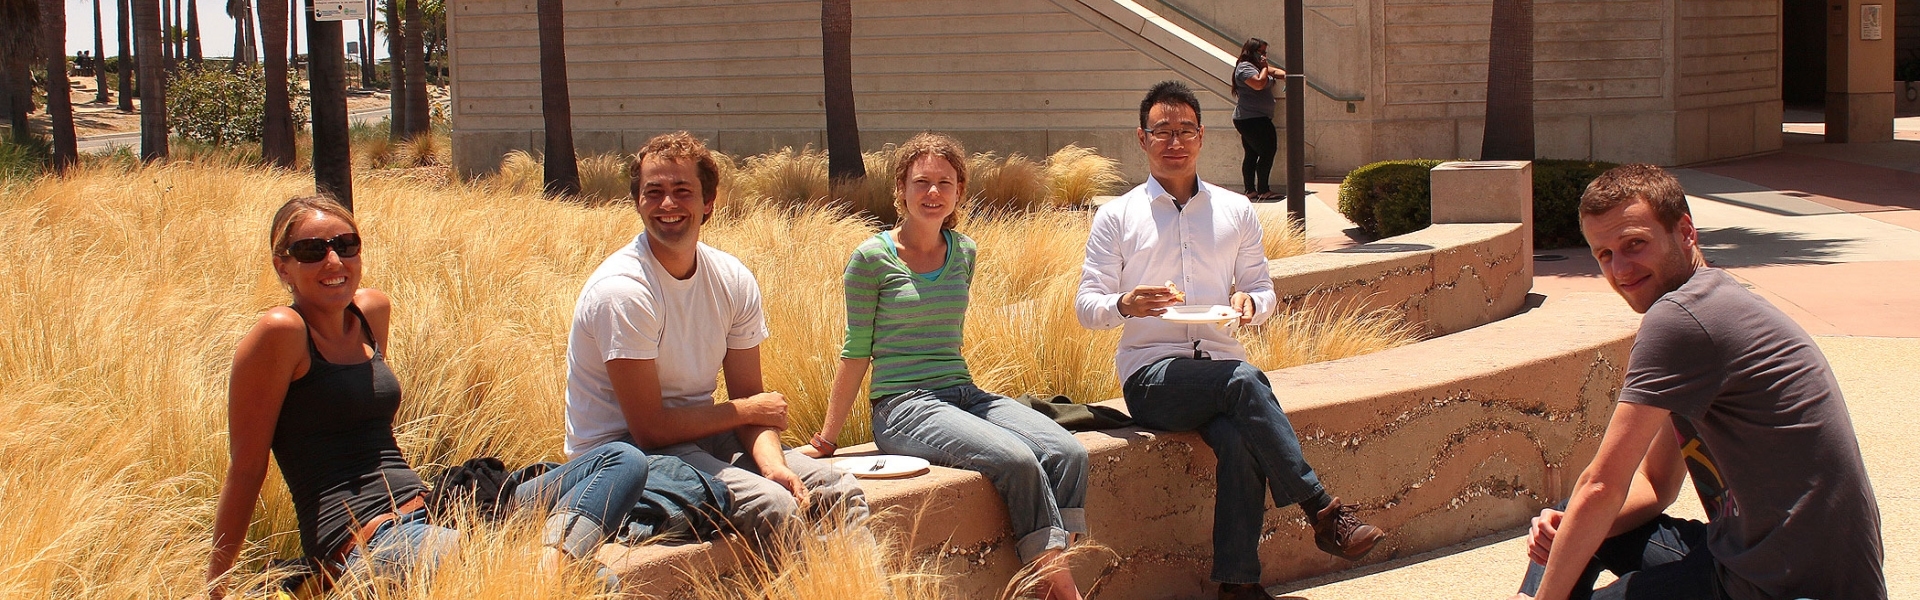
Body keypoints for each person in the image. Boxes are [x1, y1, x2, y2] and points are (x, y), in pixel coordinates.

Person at [207, 196, 653, 596]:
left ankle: (548, 560)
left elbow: (371, 425)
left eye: (346, 245)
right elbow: (247, 468)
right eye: (311, 250)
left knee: (623, 460)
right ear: (282, 266)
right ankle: (550, 565)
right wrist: (216, 585)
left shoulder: (370, 311)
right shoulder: (281, 333)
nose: (333, 260)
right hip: (372, 541)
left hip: (440, 508)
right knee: (598, 582)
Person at [1512, 165, 1884, 600]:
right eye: (1605, 254)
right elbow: (1655, 485)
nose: (1621, 269)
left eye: (1635, 244)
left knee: (1581, 514)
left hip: (1782, 586)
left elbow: (1604, 486)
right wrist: (1568, 533)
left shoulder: (1682, 318)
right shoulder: (1712, 301)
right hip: (1761, 559)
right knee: (1569, 520)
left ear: (1685, 231)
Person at [1075, 81, 1384, 600]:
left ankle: (1238, 585)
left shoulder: (1235, 210)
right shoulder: (1117, 216)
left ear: (1202, 136)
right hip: (1153, 378)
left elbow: (1263, 289)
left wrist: (1251, 304)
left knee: (1241, 441)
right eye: (1162, 132)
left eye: (1185, 131)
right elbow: (1087, 307)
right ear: (1142, 138)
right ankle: (1323, 511)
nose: (1174, 141)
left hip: (1219, 367)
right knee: (1243, 380)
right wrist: (1126, 304)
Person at [797, 133, 1090, 600]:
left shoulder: (964, 252)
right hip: (904, 406)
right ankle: (1068, 592)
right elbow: (855, 354)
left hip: (963, 393)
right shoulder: (871, 259)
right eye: (922, 182)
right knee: (1016, 460)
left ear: (959, 192)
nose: (933, 193)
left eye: (945, 183)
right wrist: (825, 440)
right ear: (901, 189)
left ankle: (1043, 586)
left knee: (1068, 453)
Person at [563, 131, 869, 548]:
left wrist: (772, 463)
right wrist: (744, 411)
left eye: (682, 190)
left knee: (838, 487)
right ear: (637, 202)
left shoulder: (730, 278)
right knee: (771, 504)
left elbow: (748, 400)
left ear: (708, 202)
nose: (667, 204)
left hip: (699, 433)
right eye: (653, 192)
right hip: (625, 456)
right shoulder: (624, 290)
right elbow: (650, 428)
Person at [1231, 38, 1284, 201]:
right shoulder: (1245, 68)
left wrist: (1287, 76)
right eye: (1261, 52)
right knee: (1268, 151)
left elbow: (1274, 72)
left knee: (1252, 154)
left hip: (1254, 117)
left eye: (1265, 53)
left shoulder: (1256, 66)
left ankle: (1251, 190)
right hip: (1252, 119)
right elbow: (1259, 84)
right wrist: (1265, 68)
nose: (1264, 56)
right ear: (1251, 51)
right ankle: (1263, 190)